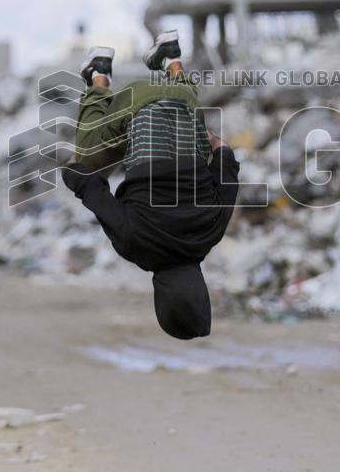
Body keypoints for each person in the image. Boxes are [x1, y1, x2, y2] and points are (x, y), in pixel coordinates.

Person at [61, 30, 240, 340]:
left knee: (183, 116)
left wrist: (215, 146)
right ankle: (98, 73)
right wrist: (73, 173)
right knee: (88, 155)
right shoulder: (136, 246)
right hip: (136, 104)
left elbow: (227, 168)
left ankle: (172, 58)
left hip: (186, 103)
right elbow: (94, 191)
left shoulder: (212, 233)